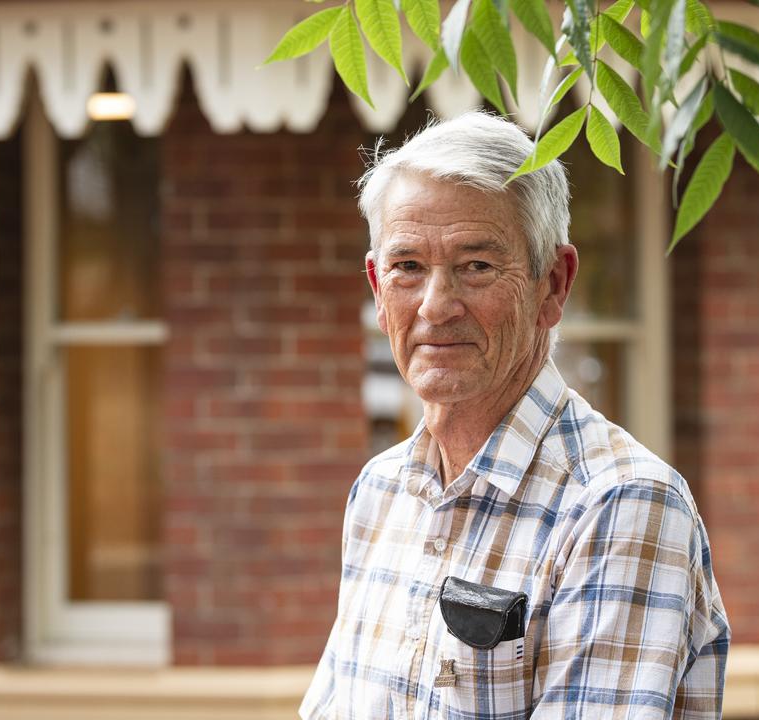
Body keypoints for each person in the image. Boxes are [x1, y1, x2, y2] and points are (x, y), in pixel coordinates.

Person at [300, 111, 730, 720]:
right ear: (376, 288)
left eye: (476, 266)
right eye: (408, 268)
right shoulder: (379, 491)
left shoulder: (622, 504)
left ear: (553, 284)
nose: (436, 306)